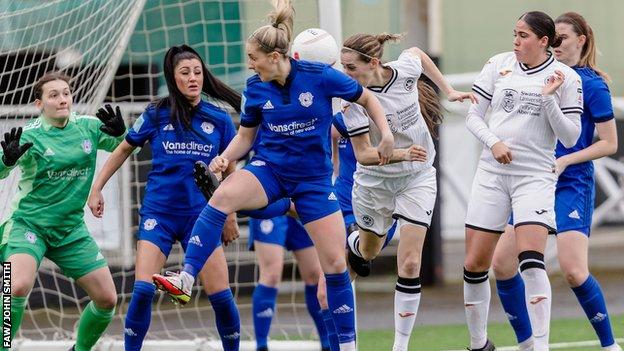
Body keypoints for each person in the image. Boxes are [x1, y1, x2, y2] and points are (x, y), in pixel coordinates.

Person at [152, 1, 397, 349]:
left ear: (275, 55)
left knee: (335, 266)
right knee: (221, 197)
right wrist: (223, 158)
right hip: (269, 172)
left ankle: (347, 345)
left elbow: (368, 99)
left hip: (313, 182)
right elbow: (246, 137)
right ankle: (187, 278)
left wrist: (385, 134)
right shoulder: (255, 88)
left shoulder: (320, 76)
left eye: (253, 57)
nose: (250, 64)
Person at [87, 45, 241, 351]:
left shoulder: (220, 119)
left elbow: (231, 169)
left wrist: (230, 215)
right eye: (185, 73)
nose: (193, 78)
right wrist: (97, 187)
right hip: (160, 214)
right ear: (172, 77)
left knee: (220, 294)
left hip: (203, 216)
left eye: (197, 72)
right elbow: (122, 149)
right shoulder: (155, 114)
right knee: (143, 289)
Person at [491, 12, 621, 351]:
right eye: (551, 36)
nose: (556, 43)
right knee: (502, 266)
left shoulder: (590, 84)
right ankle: (527, 344)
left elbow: (609, 143)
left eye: (562, 37)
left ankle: (609, 345)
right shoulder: (536, 75)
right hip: (530, 179)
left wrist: (565, 159)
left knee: (574, 270)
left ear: (581, 40)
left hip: (570, 182)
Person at [339, 33, 474, 351]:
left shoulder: (404, 70)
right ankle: (355, 244)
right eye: (342, 68)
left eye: (350, 68)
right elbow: (363, 155)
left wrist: (449, 90)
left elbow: (418, 53)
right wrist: (401, 153)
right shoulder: (351, 102)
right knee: (370, 252)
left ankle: (400, 346)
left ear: (373, 63)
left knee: (411, 263)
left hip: (418, 178)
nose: (346, 75)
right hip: (374, 182)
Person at [463, 11, 583, 351]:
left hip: (534, 176)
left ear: (544, 41)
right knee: (474, 264)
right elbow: (472, 115)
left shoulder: (566, 78)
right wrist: (493, 142)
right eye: (514, 34)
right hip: (491, 173)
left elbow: (571, 137)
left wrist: (548, 100)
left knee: (531, 259)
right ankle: (478, 343)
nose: (516, 41)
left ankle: (540, 346)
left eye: (524, 36)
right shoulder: (497, 64)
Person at [0, 72, 126, 351]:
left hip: (70, 229)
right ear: (39, 104)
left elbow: (126, 148)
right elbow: (0, 170)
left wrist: (122, 134)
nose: (62, 100)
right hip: (27, 226)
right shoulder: (30, 136)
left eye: (66, 93)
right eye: (53, 95)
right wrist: (6, 159)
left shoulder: (90, 127)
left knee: (107, 299)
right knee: (15, 286)